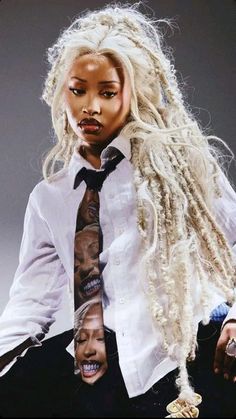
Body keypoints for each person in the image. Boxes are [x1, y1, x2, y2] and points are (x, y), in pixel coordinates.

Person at [0, 2, 236, 417]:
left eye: (107, 92)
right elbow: (30, 299)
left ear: (135, 95)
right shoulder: (49, 197)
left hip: (189, 349)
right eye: (78, 90)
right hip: (101, 359)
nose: (90, 106)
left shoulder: (180, 167)